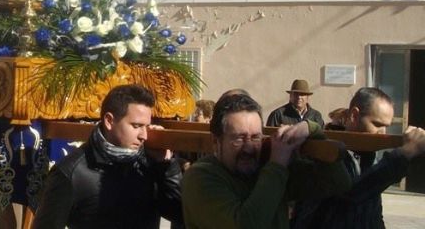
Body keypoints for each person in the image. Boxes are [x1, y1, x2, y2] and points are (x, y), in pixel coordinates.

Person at [181, 93, 351, 229]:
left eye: (255, 137)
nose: (248, 148)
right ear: (216, 142)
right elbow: (246, 224)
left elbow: (338, 183)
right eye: (239, 139)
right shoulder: (200, 177)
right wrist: (277, 164)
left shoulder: (266, 167)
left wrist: (312, 129)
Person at [32, 84, 183, 229]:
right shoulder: (70, 172)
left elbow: (180, 214)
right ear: (109, 121)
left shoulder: (152, 164)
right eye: (136, 126)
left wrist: (166, 165)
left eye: (146, 126)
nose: (143, 135)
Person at [292, 87, 425, 228]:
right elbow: (352, 191)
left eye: (386, 126)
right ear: (354, 116)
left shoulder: (368, 154)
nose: (382, 132)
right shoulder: (324, 151)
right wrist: (404, 154)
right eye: (377, 124)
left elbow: (372, 212)